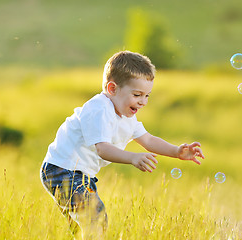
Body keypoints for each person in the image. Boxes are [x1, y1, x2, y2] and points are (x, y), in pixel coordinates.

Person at [40, 50, 204, 239]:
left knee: (81, 227)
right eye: (137, 94)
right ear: (112, 89)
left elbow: (148, 140)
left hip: (79, 174)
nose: (143, 102)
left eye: (147, 96)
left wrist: (177, 151)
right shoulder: (99, 109)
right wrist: (133, 157)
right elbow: (102, 149)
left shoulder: (127, 116)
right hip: (61, 170)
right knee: (95, 216)